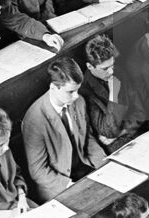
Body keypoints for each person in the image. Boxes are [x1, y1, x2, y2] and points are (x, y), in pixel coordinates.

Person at [24, 58, 106, 199]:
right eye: (70, 91)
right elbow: (38, 171)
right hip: (58, 183)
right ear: (54, 88)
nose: (76, 96)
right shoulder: (35, 119)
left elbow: (87, 137)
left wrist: (103, 163)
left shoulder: (78, 101)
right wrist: (69, 185)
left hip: (84, 167)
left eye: (77, 90)